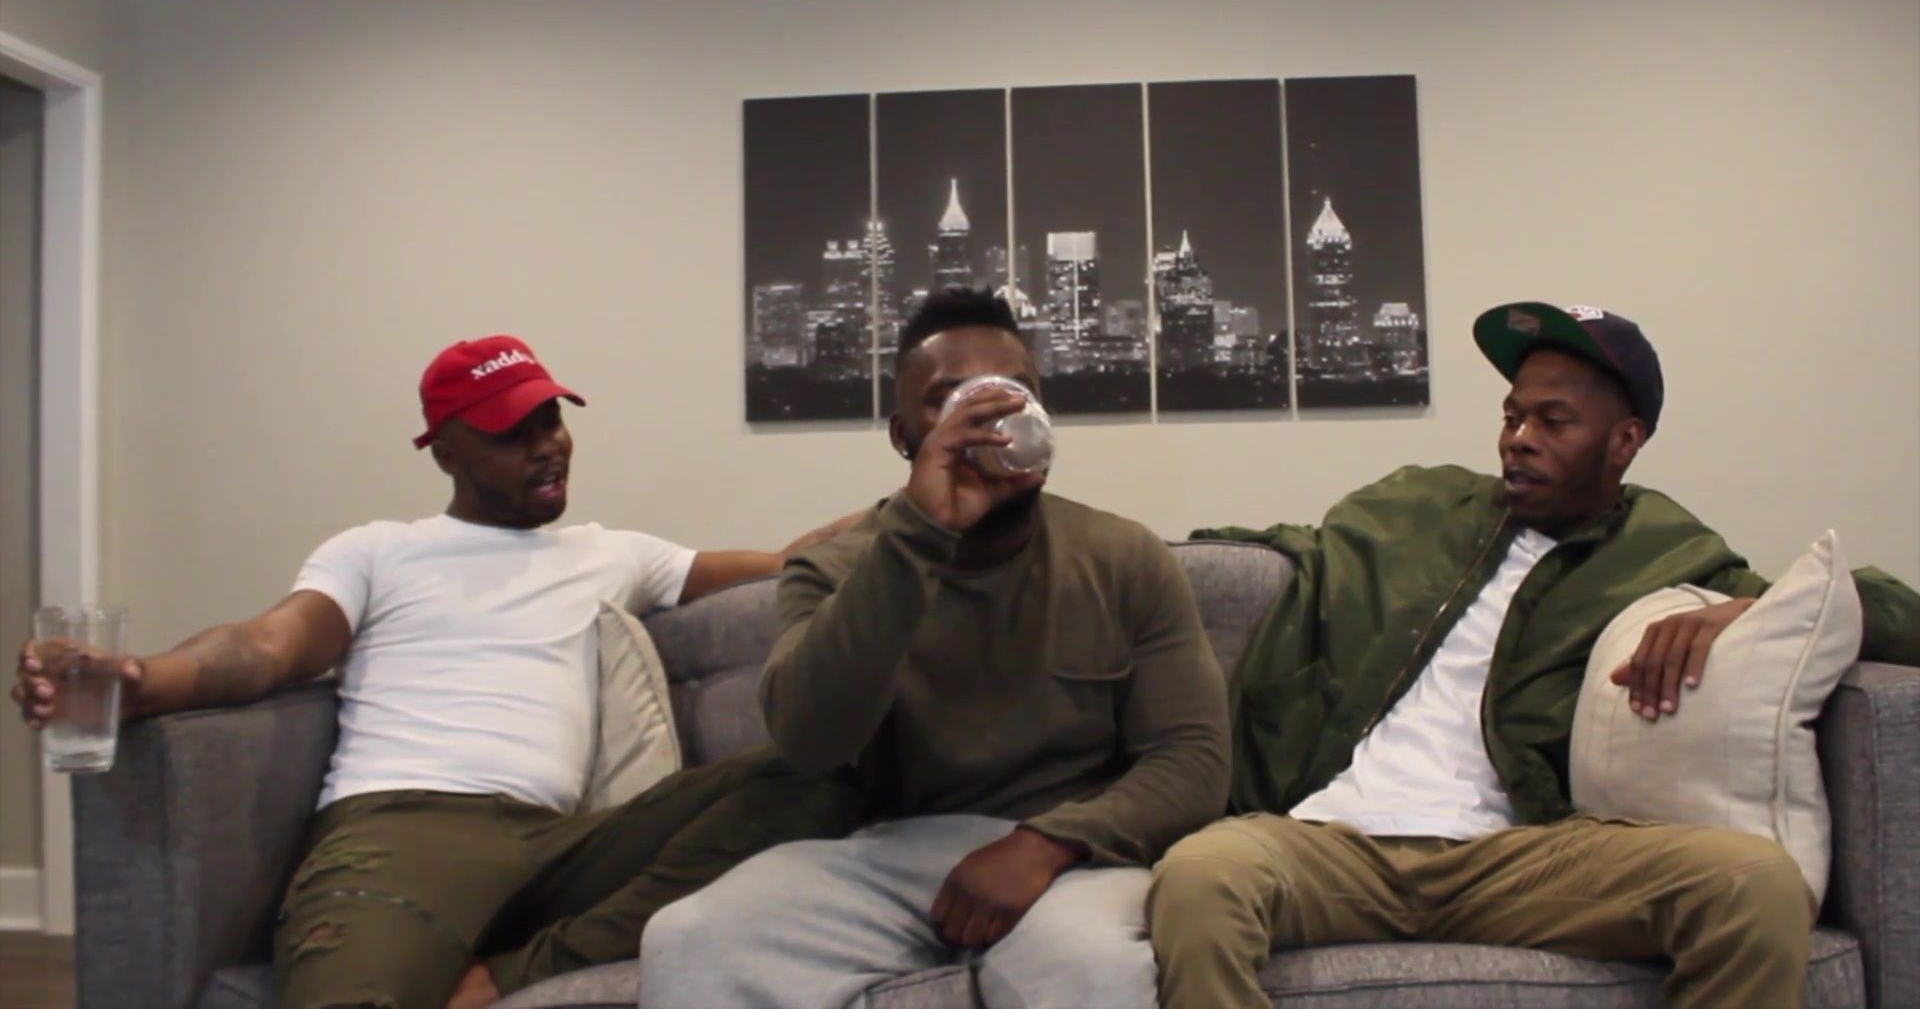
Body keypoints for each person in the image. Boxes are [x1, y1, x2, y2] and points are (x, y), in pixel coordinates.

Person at [12, 335, 863, 1009]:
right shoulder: (379, 551)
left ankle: (516, 970)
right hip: (406, 832)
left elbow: (790, 565)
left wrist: (912, 507)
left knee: (818, 768)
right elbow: (267, 647)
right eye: (512, 435)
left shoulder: (613, 554)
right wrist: (140, 682)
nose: (547, 448)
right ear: (446, 453)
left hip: (562, 844)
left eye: (551, 422)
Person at [1146, 302, 1920, 1009]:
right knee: (1200, 878)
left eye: (1554, 421)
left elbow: (1892, 613)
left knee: (1756, 883)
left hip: (1524, 857)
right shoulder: (1409, 509)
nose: (1520, 438)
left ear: (1625, 441)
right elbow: (1273, 551)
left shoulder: (1668, 552)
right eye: (1513, 416)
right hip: (1333, 841)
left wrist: (1750, 610)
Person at [638, 290, 1231, 1008]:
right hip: (892, 851)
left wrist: (1043, 845)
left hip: (1075, 858)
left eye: (1014, 392)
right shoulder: (832, 569)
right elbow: (809, 740)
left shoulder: (1121, 555)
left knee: (1090, 964)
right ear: (904, 435)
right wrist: (919, 536)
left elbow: (1193, 760)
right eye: (949, 399)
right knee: (689, 938)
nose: (989, 417)